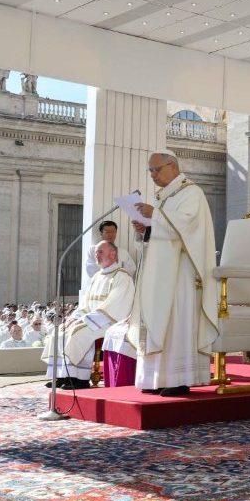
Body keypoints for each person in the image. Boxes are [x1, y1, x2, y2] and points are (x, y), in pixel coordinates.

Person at [127, 151, 218, 397]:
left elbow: (187, 228)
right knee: (158, 319)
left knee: (176, 320)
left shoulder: (191, 192)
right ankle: (156, 378)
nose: (153, 175)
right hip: (160, 271)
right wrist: (144, 229)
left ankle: (179, 379)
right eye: (150, 171)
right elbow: (162, 231)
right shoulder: (165, 197)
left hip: (182, 272)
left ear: (172, 166)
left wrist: (154, 216)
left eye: (156, 169)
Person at [42, 241, 135, 389]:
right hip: (91, 319)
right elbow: (85, 304)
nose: (96, 255)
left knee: (78, 333)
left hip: (108, 321)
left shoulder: (122, 277)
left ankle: (79, 379)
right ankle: (61, 375)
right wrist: (74, 318)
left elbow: (115, 306)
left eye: (100, 252)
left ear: (113, 254)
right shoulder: (97, 276)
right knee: (59, 331)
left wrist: (84, 320)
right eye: (96, 252)